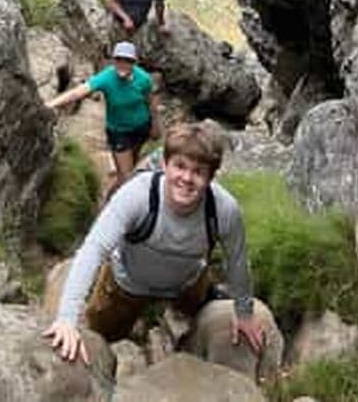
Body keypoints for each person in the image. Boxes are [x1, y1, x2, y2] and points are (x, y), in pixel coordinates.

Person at [43, 119, 266, 365]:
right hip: (125, 285)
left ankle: (193, 319)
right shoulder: (136, 196)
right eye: (179, 166)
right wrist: (66, 318)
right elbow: (93, 250)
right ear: (164, 165)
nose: (186, 178)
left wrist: (244, 312)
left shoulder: (224, 210)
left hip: (187, 284)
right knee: (99, 336)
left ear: (211, 176)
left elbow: (237, 260)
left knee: (202, 313)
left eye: (198, 171)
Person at [47, 41, 161, 192]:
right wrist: (51, 104)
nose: (123, 63)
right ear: (113, 61)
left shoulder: (143, 79)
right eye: (119, 59)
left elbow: (151, 103)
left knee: (128, 172)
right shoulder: (106, 77)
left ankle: (112, 197)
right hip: (119, 132)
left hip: (141, 128)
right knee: (127, 178)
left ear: (134, 62)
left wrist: (155, 126)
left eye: (128, 60)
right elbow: (79, 92)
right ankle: (119, 209)